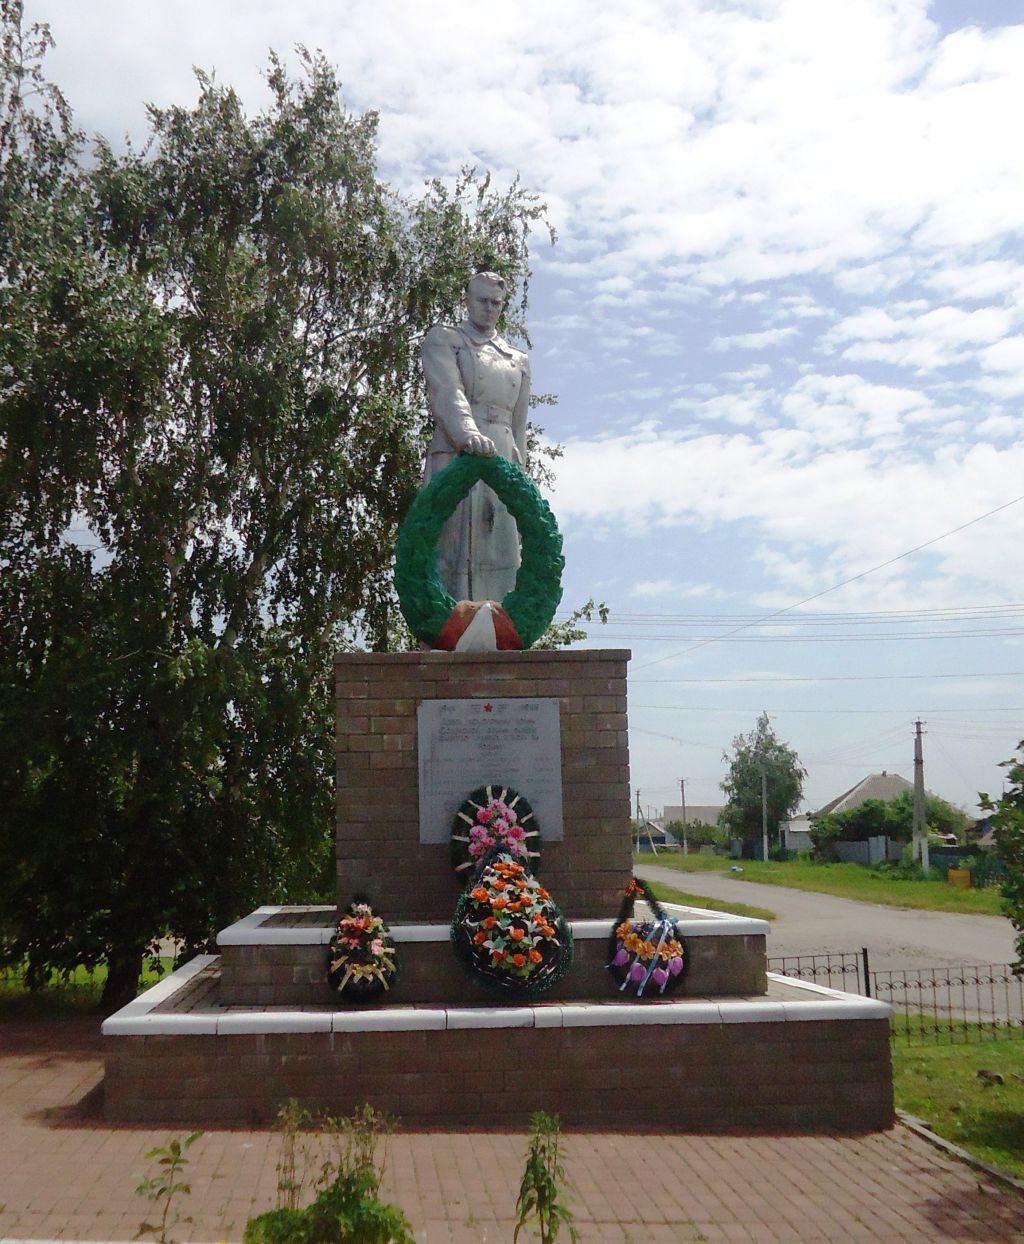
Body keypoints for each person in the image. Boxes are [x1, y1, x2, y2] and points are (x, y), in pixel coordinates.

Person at [420, 271, 530, 602]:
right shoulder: (446, 339)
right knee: (450, 549)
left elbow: (519, 427)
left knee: (499, 548)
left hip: (501, 455)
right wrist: (468, 433)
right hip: (458, 450)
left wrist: (522, 483)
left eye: (496, 302)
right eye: (482, 300)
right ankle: (449, 622)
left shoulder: (517, 359)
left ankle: (499, 623)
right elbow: (446, 391)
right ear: (467, 301)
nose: (489, 308)